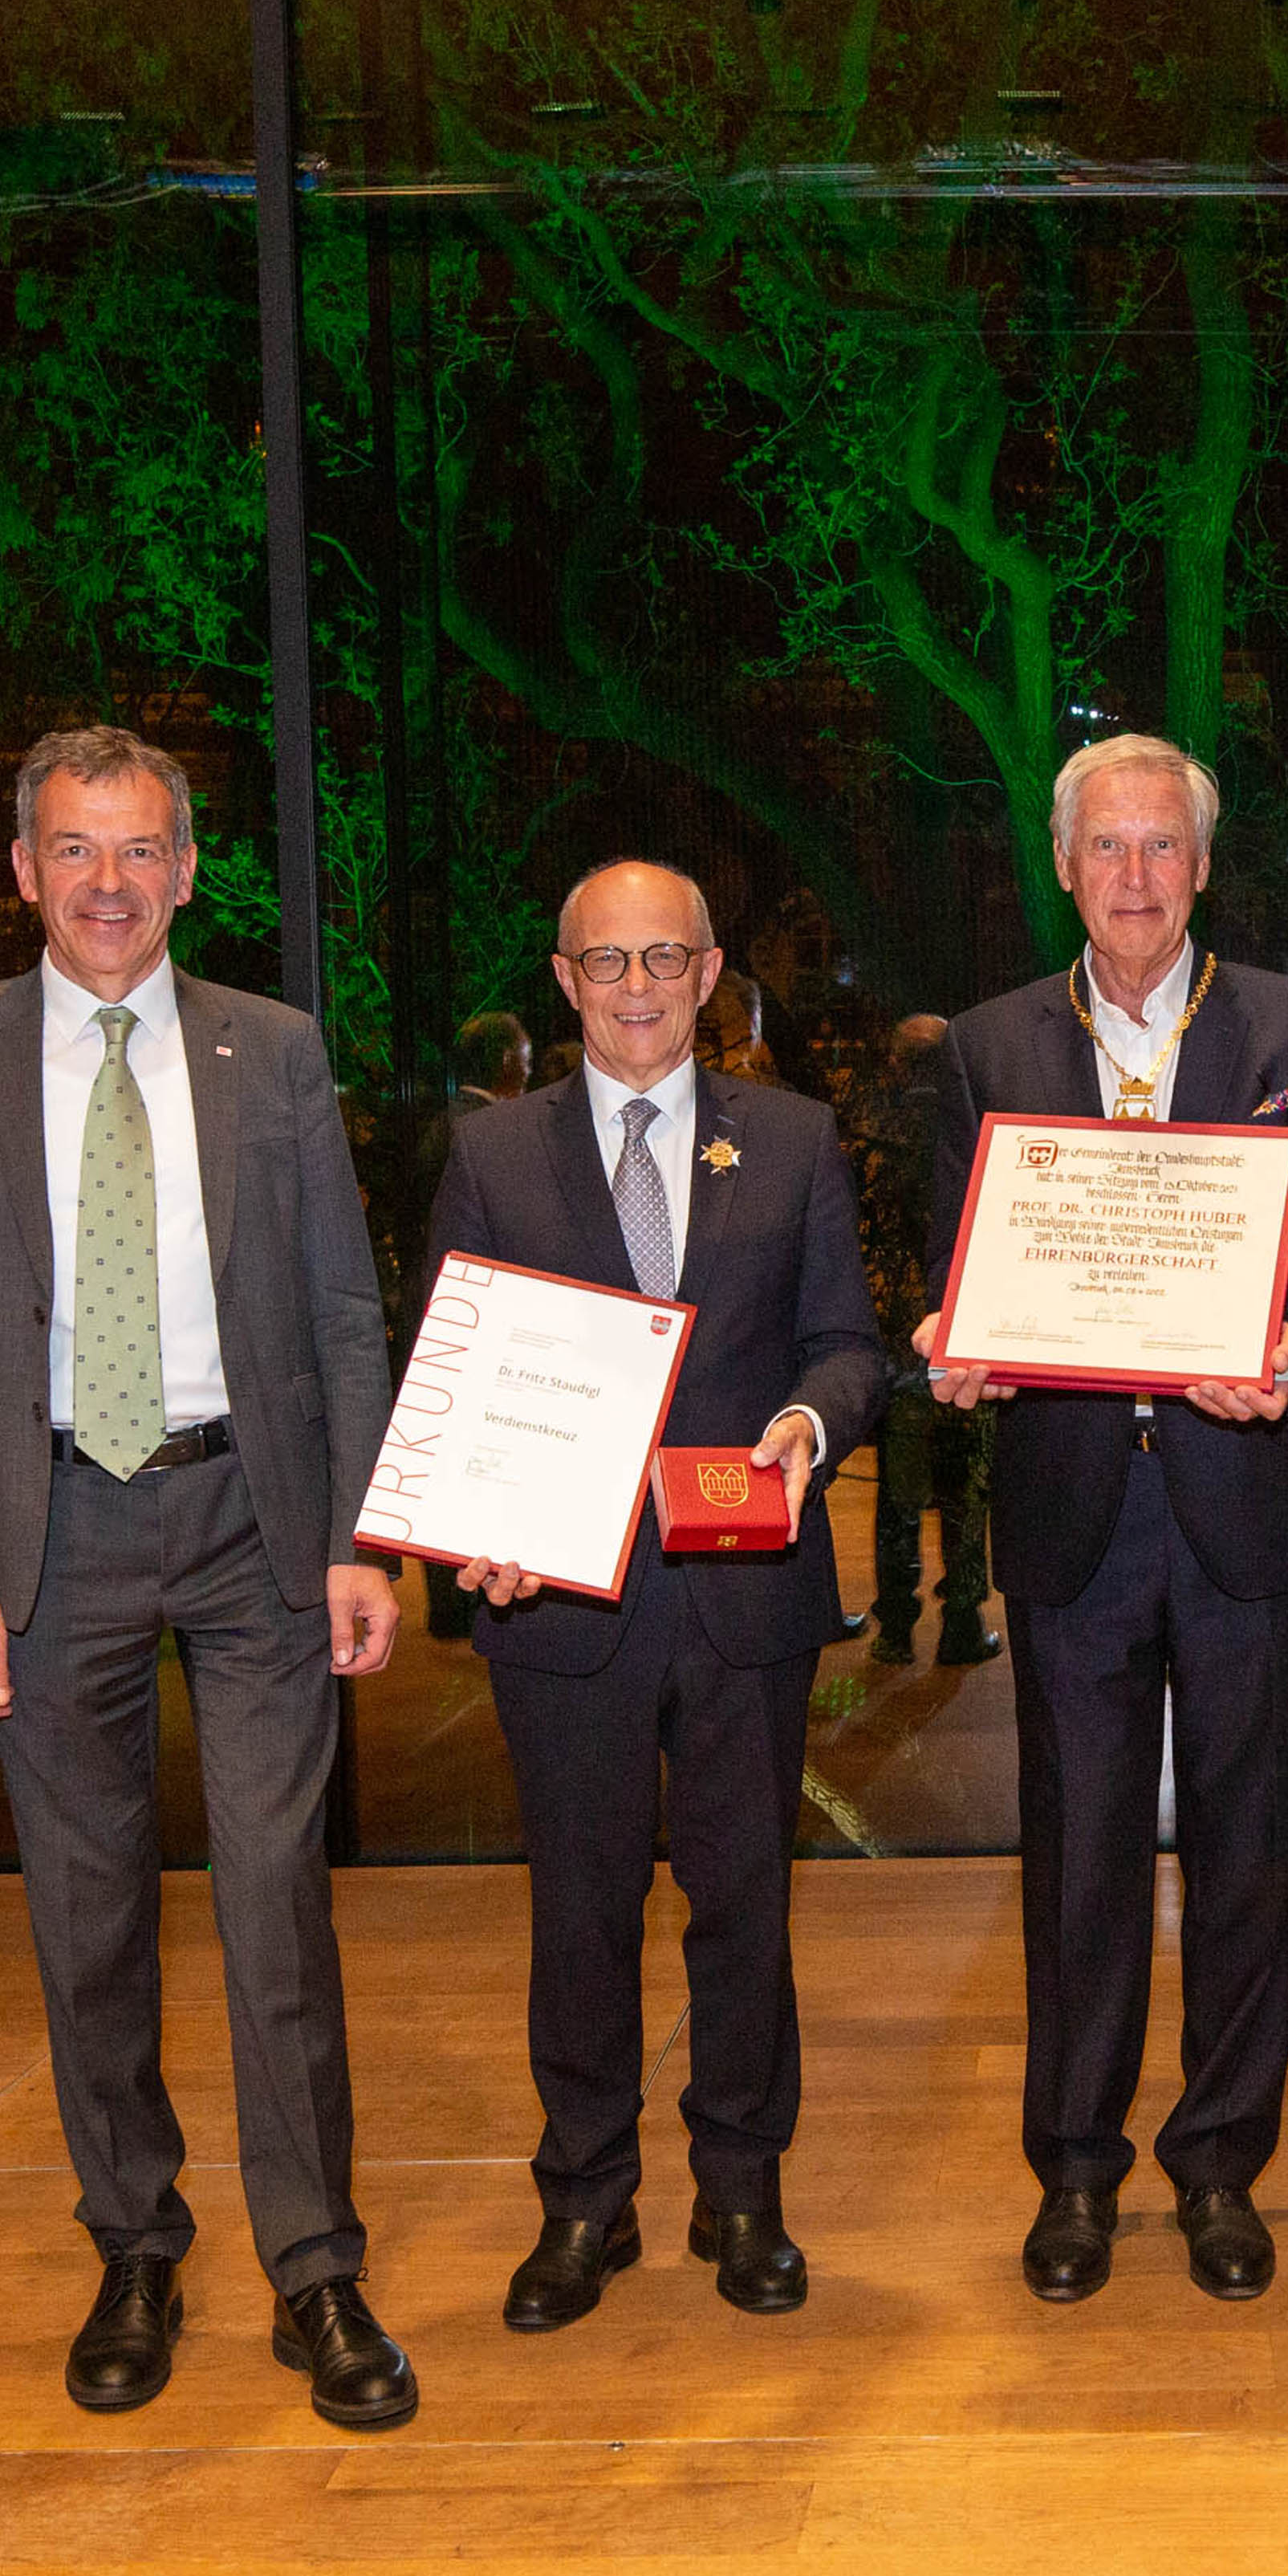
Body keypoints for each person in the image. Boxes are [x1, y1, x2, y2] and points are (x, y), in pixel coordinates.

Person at [0, 724, 418, 2431]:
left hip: (254, 1516)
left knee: (276, 1900)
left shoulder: (274, 1048)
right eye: (73, 848)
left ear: (185, 871)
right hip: (47, 1532)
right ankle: (134, 2243)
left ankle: (315, 2265)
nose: (107, 882)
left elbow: (340, 1308)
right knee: (85, 1910)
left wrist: (356, 1531)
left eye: (139, 849)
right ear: (22, 870)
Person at [918, 734, 1288, 2304]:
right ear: (1063, 866)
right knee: (1078, 1859)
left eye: (1163, 844)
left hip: (1257, 1501)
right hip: (1075, 1511)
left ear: (1203, 863)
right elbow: (958, 1256)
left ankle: (1220, 2164)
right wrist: (958, 1338)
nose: (1136, 874)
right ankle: (1074, 2168)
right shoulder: (988, 1045)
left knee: (1253, 1853)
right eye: (1107, 846)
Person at [425, 861, 885, 2328]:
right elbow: (450, 1363)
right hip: (559, 1603)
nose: (638, 987)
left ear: (710, 972)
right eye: (608, 961)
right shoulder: (493, 1153)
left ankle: (742, 2191)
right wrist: (470, 1523)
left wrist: (807, 1426)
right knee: (582, 1910)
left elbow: (848, 1345)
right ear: (565, 981)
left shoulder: (794, 1137)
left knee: (745, 1902)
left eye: (665, 958)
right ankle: (586, 2199)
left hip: (746, 1590)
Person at [859, 1012, 996, 1668]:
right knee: (966, 1487)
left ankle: (894, 1627)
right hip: (961, 1330)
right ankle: (962, 1623)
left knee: (897, 1492)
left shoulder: (866, 1139)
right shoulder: (972, 1141)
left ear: (893, 1064)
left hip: (892, 1339)